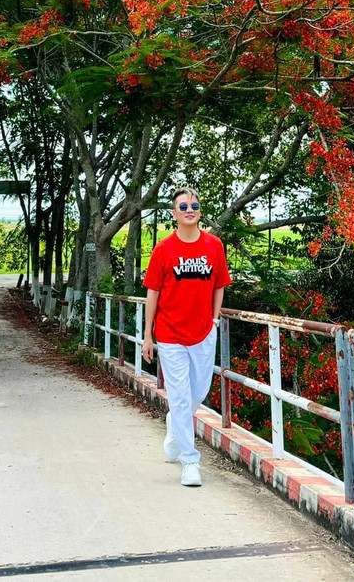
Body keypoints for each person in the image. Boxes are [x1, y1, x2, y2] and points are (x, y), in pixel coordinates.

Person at [141, 186, 231, 487]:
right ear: (174, 213)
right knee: (179, 398)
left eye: (194, 204)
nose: (189, 209)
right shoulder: (163, 250)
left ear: (200, 211)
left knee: (198, 393)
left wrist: (215, 318)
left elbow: (219, 283)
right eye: (183, 206)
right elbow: (152, 294)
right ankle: (190, 462)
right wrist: (147, 336)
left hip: (204, 331)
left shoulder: (214, 245)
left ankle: (174, 425)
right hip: (169, 334)